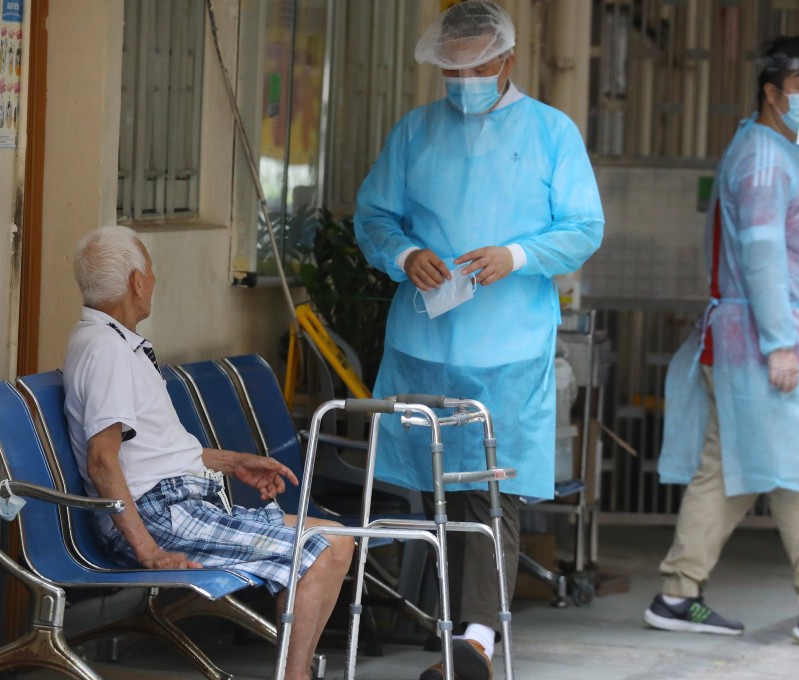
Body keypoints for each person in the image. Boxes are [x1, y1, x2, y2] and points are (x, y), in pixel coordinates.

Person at [354, 2, 604, 678]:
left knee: (492, 491)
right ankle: (445, 624)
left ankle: (476, 640)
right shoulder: (415, 133)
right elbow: (374, 214)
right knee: (432, 492)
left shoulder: (552, 134)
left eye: (478, 65)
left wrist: (517, 256)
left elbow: (583, 227)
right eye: (453, 68)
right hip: (425, 341)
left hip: (508, 348)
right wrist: (405, 255)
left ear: (508, 61)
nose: (465, 78)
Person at [644, 36, 799, 646]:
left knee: (728, 472)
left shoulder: (768, 148)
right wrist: (781, 342)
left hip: (739, 337)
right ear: (771, 92)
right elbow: (761, 256)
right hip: (761, 339)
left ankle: (678, 593)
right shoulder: (764, 158)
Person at [62, 225, 354, 680]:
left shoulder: (117, 343)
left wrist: (235, 462)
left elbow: (155, 451)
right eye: (151, 273)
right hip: (160, 515)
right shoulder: (107, 352)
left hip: (179, 505)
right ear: (138, 281)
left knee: (338, 539)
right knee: (315, 553)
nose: (153, 282)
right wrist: (148, 551)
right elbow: (103, 459)